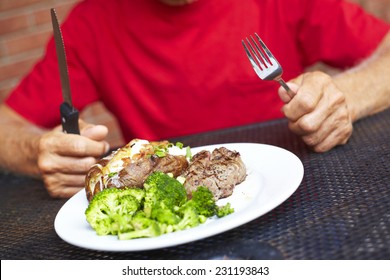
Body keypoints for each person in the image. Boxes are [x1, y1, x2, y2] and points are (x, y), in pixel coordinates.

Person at [0, 0, 389, 198]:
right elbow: (6, 122)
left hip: (299, 192)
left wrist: (346, 98)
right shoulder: (94, 20)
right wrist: (36, 151)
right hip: (166, 222)